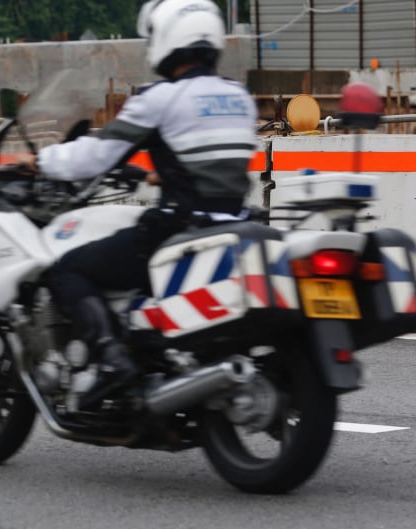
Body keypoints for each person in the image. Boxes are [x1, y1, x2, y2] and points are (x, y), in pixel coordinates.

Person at [16, 0, 259, 409]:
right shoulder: (239, 98)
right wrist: (155, 174)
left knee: (68, 270)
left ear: (166, 39)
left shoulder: (162, 98)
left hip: (180, 228)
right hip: (235, 225)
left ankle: (112, 362)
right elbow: (210, 163)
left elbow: (95, 154)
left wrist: (40, 161)